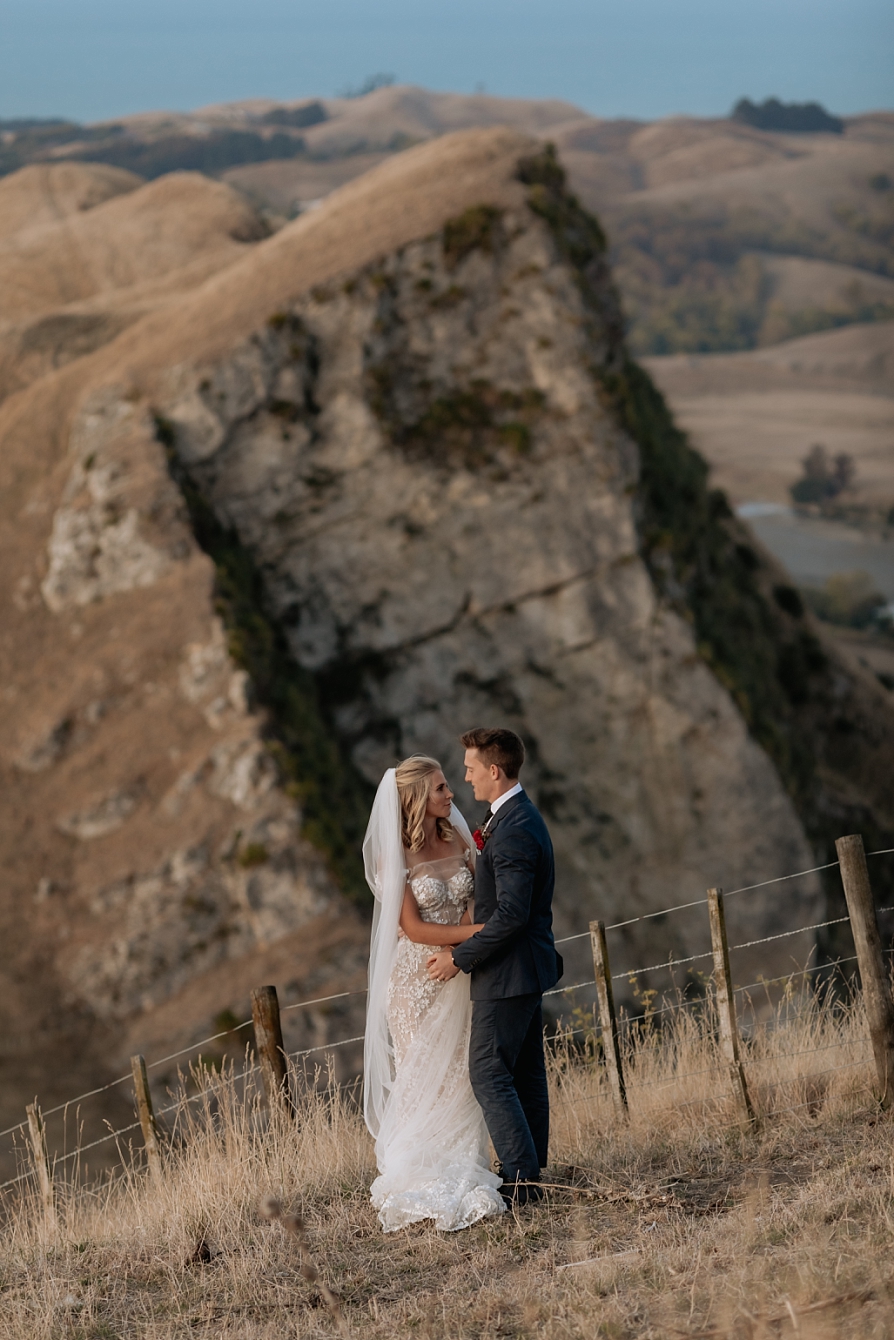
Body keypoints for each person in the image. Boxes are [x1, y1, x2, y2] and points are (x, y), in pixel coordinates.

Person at [362, 754, 505, 1232]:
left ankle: (464, 1167)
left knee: (463, 1073)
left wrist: (471, 937)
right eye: (441, 789)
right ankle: (420, 1172)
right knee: (424, 1076)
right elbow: (415, 929)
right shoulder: (394, 856)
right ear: (419, 799)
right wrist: (483, 934)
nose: (451, 795)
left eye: (448, 785)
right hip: (416, 978)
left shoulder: (461, 839)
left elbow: (475, 899)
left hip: (458, 970)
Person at [426, 728, 562, 1207]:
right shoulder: (514, 817)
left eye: (470, 767)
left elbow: (510, 915)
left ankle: (523, 1185)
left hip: (508, 974)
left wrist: (459, 959)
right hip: (523, 969)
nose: (465, 776)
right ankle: (532, 1173)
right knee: (524, 1071)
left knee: (487, 1071)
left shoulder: (516, 828)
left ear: (494, 770)